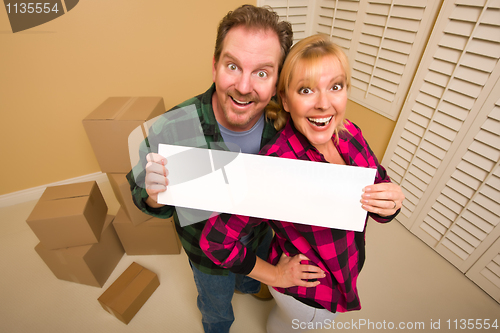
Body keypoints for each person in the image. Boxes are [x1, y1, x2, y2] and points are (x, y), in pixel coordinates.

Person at [126, 5, 317, 333]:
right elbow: (140, 192)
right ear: (215, 66)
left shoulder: (284, 127)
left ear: (276, 82)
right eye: (233, 66)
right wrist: (155, 195)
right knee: (216, 304)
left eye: (261, 72)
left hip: (258, 237)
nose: (244, 86)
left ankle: (248, 283)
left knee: (247, 276)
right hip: (207, 258)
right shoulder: (173, 127)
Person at [200, 34, 405, 333]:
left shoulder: (349, 133)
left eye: (335, 87)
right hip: (310, 296)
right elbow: (215, 242)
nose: (324, 104)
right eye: (306, 90)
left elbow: (377, 196)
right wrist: (274, 276)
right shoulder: (275, 167)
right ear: (284, 99)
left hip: (345, 263)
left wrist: (391, 203)